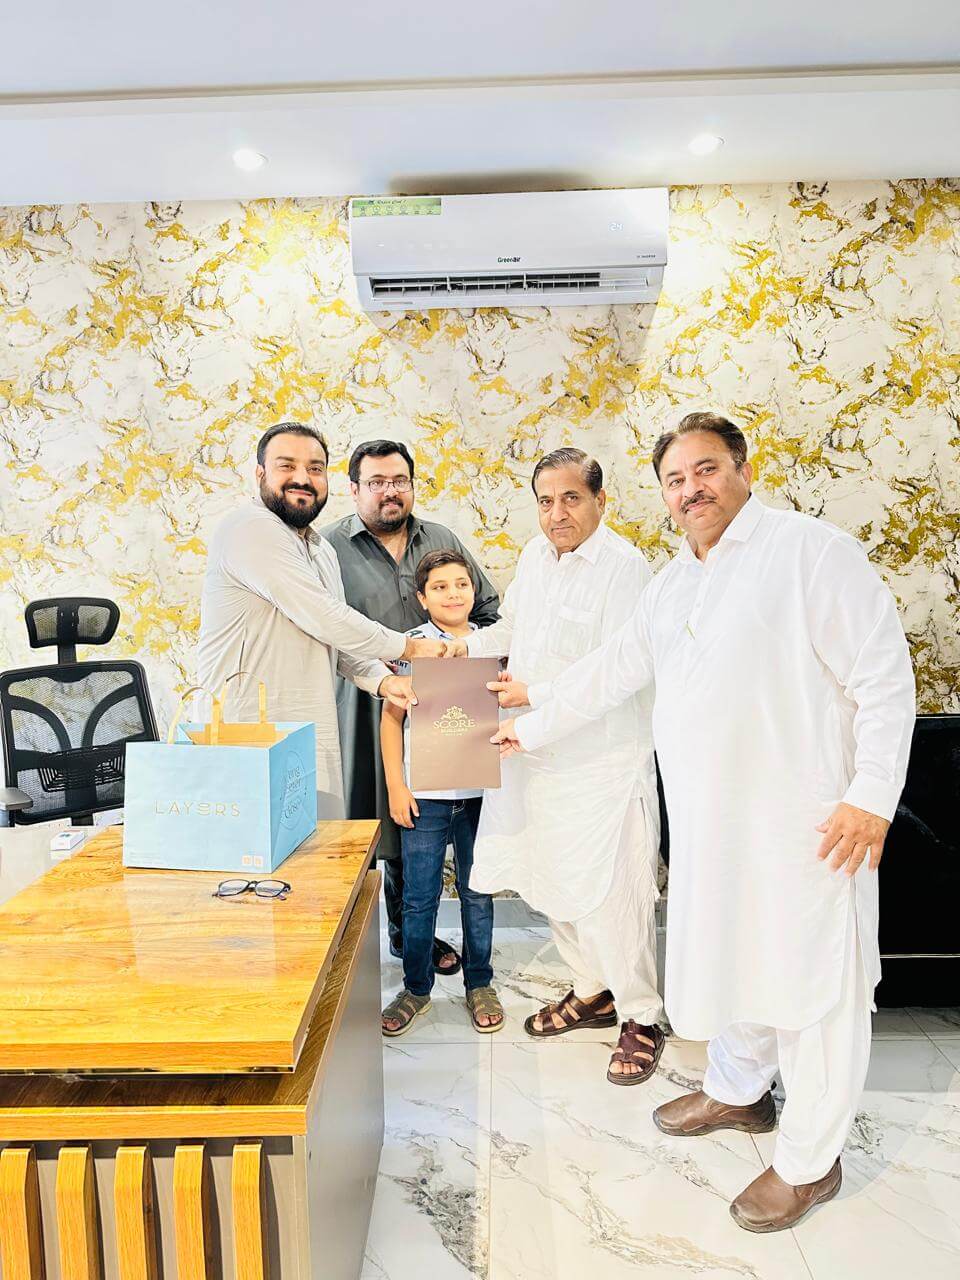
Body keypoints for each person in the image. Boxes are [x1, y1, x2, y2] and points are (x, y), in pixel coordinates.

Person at [492, 412, 916, 1232]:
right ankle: (737, 1090)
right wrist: (530, 725)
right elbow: (612, 671)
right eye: (676, 479)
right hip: (714, 827)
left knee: (814, 984)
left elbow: (883, 676)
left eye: (707, 469)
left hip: (809, 826)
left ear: (743, 470)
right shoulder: (673, 583)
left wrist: (871, 794)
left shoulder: (809, 552)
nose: (693, 489)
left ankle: (810, 1162)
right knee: (736, 958)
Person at [446, 447, 664, 1085]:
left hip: (600, 763)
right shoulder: (535, 558)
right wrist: (458, 648)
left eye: (571, 498)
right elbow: (511, 629)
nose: (557, 514)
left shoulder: (625, 569)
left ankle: (642, 1015)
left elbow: (614, 673)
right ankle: (592, 991)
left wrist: (533, 699)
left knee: (611, 895)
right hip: (534, 756)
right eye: (545, 501)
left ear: (600, 500)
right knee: (551, 880)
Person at [197, 422, 445, 817]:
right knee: (249, 853)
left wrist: (383, 681)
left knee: (319, 852)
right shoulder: (250, 528)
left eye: (315, 468)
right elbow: (324, 615)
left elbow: (334, 638)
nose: (302, 478)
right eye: (286, 465)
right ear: (259, 473)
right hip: (246, 737)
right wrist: (409, 647)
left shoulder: (319, 548)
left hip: (309, 736)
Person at [323, 439, 500, 974]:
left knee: (421, 816)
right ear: (354, 489)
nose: (389, 491)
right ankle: (367, 942)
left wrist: (461, 656)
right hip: (362, 704)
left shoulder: (441, 539)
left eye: (398, 480)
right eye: (376, 482)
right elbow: (323, 626)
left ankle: (410, 937)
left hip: (442, 712)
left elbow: (488, 611)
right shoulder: (329, 548)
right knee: (371, 819)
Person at [379, 549, 503, 1037]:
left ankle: (480, 982)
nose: (453, 594)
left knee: (478, 893)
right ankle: (416, 988)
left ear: (473, 590)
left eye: (461, 584)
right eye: (440, 587)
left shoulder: (491, 644)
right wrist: (396, 785)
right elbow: (391, 720)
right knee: (418, 897)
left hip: (480, 795)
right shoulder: (411, 648)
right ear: (422, 598)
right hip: (424, 795)